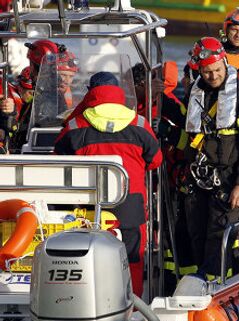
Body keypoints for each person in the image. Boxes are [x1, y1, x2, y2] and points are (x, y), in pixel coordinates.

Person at [54, 71, 163, 297]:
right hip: (130, 201)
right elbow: (156, 161)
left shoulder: (75, 125)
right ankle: (132, 307)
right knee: (133, 256)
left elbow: (59, 159)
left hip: (88, 204)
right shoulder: (140, 123)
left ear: (90, 94)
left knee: (88, 255)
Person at [182, 36, 239, 281]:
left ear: (225, 64)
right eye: (206, 72)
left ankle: (220, 283)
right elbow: (188, 137)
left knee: (220, 234)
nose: (213, 76)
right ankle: (199, 280)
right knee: (195, 232)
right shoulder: (195, 94)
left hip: (227, 180)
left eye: (217, 70)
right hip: (198, 177)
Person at [9, 39, 59, 152]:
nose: (29, 70)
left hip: (34, 157)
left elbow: (38, 131)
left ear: (35, 65)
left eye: (30, 64)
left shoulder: (46, 96)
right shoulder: (50, 91)